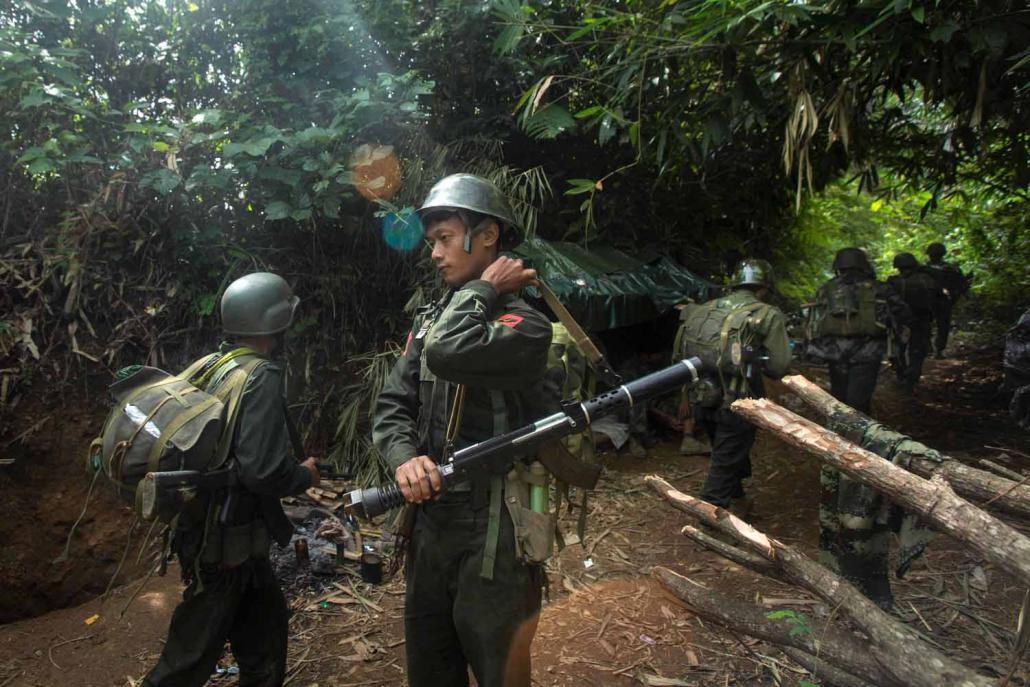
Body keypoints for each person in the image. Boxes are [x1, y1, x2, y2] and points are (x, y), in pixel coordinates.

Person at [372, 173, 556, 687]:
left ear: (489, 236)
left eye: (445, 238)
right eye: (431, 242)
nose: (434, 253)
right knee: (430, 666)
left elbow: (448, 353)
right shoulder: (433, 319)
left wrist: (484, 289)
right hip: (430, 521)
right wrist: (405, 457)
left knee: (500, 668)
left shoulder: (526, 325)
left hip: (494, 527)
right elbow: (392, 403)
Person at [144, 272, 320, 687]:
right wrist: (303, 476)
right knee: (188, 659)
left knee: (266, 626)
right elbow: (264, 470)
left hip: (216, 531)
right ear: (277, 324)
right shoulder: (260, 376)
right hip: (225, 542)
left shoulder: (214, 364)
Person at [673, 259, 791, 514]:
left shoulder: (705, 309)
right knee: (726, 458)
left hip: (700, 396)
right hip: (738, 400)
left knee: (725, 451)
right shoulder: (766, 314)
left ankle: (737, 499)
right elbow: (779, 367)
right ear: (765, 287)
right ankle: (709, 519)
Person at [806, 247, 910, 413]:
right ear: (863, 264)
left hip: (835, 351)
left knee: (839, 397)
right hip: (868, 350)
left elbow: (814, 317)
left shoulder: (826, 288)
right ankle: (857, 434)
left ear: (838, 265)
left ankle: (837, 433)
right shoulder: (878, 288)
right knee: (859, 400)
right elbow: (902, 311)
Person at [888, 253, 942, 394]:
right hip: (922, 321)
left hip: (900, 323)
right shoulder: (928, 280)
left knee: (898, 350)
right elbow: (939, 301)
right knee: (917, 352)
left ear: (897, 266)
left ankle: (902, 375)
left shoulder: (893, 282)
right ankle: (911, 378)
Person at [924, 242, 970, 358]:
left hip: (927, 301)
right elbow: (962, 285)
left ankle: (928, 348)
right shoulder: (952, 268)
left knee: (924, 324)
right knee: (942, 326)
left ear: (929, 254)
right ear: (943, 254)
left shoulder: (922, 269)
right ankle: (938, 350)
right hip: (944, 301)